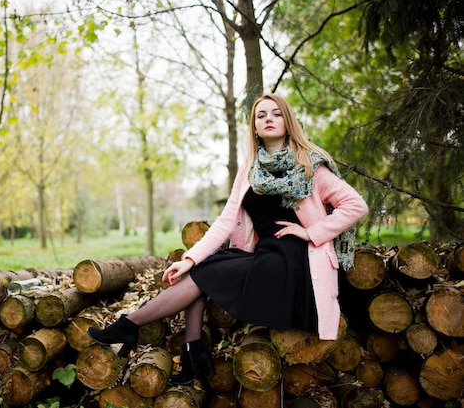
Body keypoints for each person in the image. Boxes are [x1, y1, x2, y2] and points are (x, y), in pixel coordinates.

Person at [88, 93, 369, 385]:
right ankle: (192, 352)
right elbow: (225, 221)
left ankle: (130, 326)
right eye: (261, 116)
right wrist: (189, 258)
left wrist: (311, 232)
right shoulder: (250, 171)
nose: (269, 119)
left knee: (206, 273)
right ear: (255, 128)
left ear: (288, 121)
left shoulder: (310, 166)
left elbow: (355, 205)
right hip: (267, 256)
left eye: (276, 114)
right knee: (202, 268)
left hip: (295, 264)